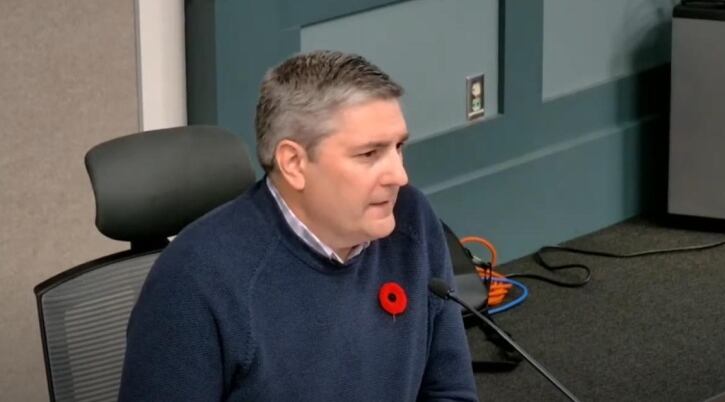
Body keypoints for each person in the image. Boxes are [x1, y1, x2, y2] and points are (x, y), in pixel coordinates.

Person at [118, 50, 478, 401]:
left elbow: (450, 391)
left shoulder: (410, 220)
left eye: (398, 147)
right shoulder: (194, 282)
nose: (399, 175)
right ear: (293, 163)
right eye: (369, 154)